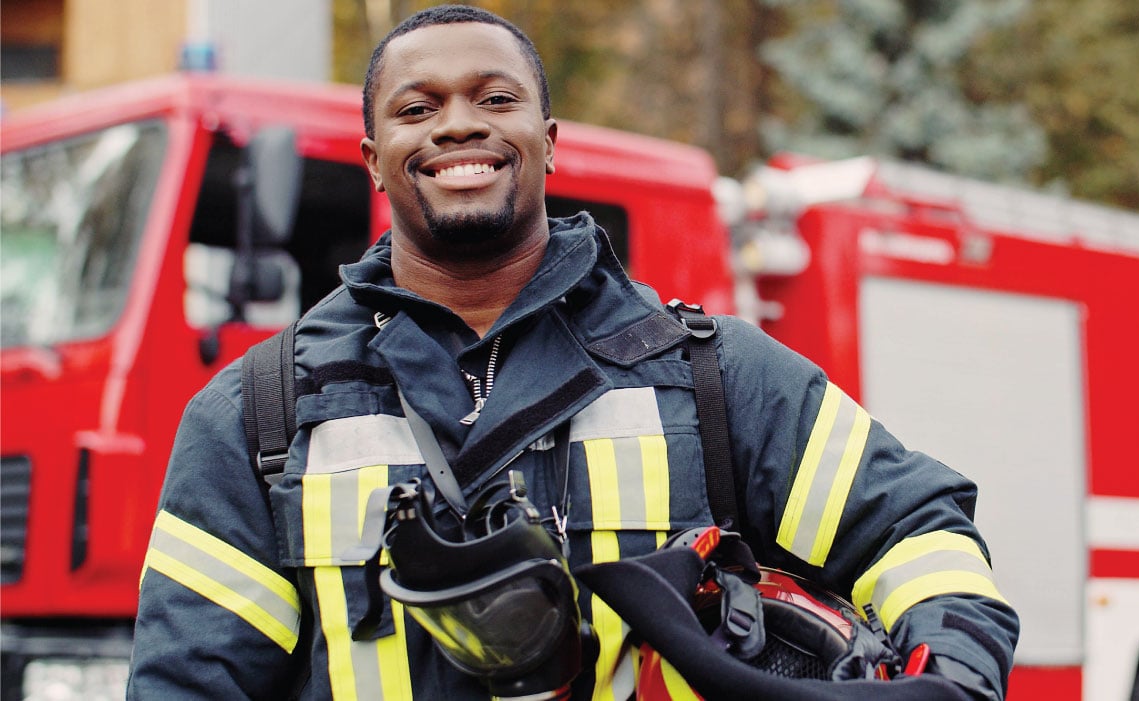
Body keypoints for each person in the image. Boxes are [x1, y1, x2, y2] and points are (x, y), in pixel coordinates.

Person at [128, 4, 1019, 699]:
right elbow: (187, 680)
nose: (456, 126)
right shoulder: (261, 414)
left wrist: (953, 677)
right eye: (417, 108)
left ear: (549, 145)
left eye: (496, 98)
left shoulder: (714, 376)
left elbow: (917, 526)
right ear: (374, 156)